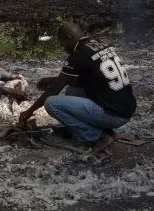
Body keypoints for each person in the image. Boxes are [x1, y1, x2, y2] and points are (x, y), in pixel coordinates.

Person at [18, 22, 136, 152]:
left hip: (113, 116)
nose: (64, 49)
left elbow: (53, 91)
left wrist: (28, 112)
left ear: (69, 38)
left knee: (51, 104)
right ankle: (108, 132)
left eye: (63, 44)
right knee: (72, 91)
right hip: (126, 109)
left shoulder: (78, 55)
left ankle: (99, 136)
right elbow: (87, 79)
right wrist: (53, 80)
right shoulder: (99, 43)